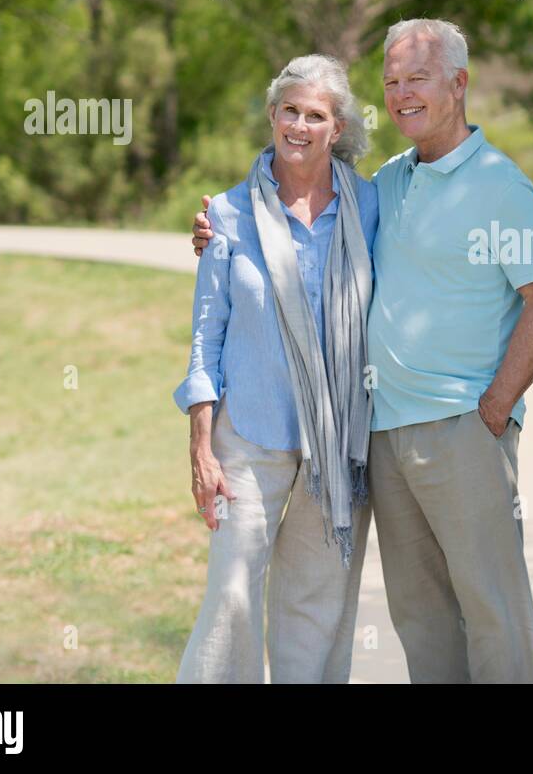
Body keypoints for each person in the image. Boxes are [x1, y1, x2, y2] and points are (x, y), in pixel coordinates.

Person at [193, 19, 533, 683]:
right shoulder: (387, 184)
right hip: (384, 437)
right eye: (392, 81)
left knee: (493, 613)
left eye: (417, 77)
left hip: (461, 431)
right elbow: (278, 227)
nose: (402, 93)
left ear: (459, 83)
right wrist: (215, 230)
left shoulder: (503, 187)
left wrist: (493, 409)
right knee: (420, 618)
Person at [174, 54, 379, 683]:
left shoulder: (370, 206)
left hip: (337, 444)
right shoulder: (228, 215)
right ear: (271, 115)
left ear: (336, 128)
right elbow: (206, 334)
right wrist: (202, 447)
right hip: (249, 437)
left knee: (315, 607)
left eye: (315, 115)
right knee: (232, 596)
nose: (299, 124)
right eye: (288, 110)